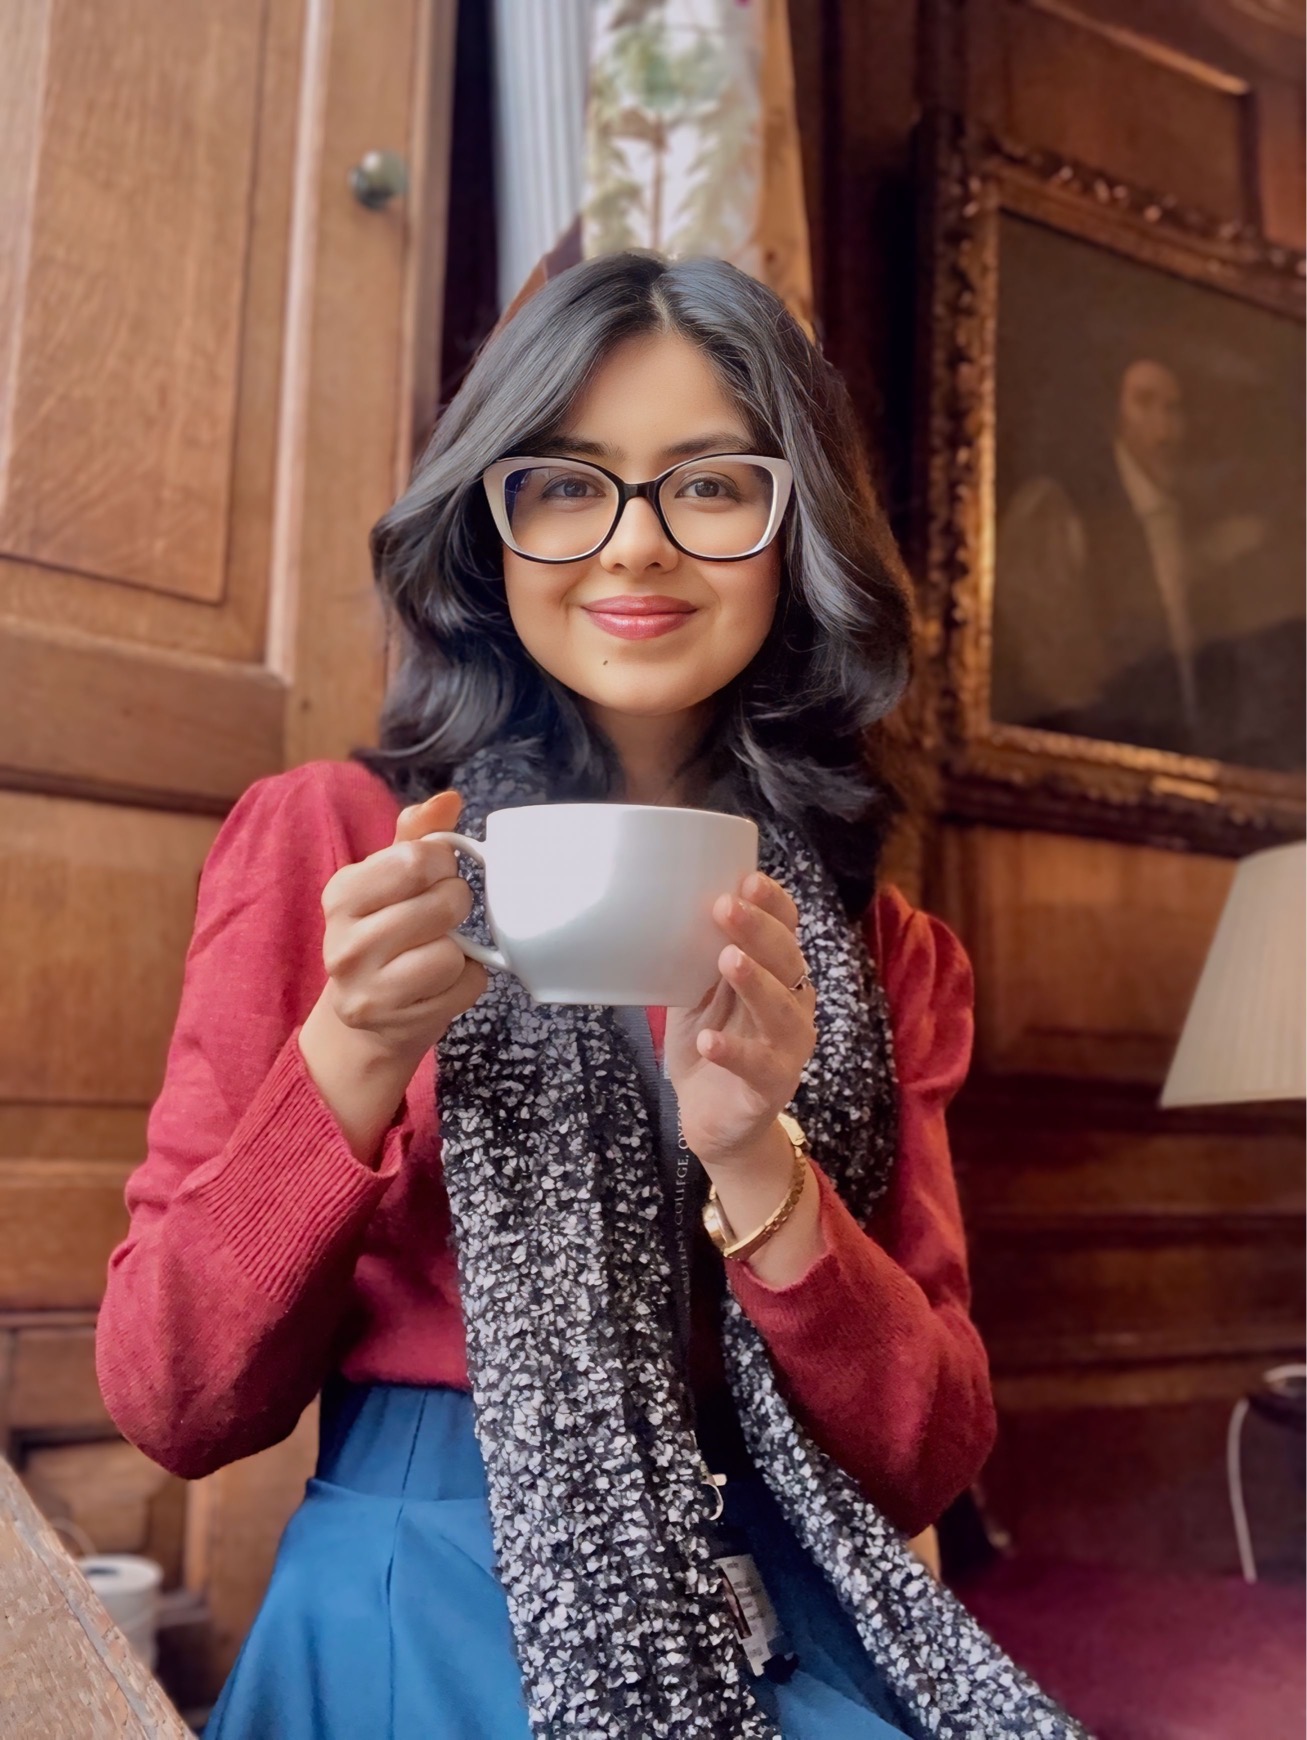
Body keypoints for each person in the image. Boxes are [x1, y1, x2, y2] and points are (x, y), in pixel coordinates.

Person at [96, 253, 1084, 1739]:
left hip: (786, 1596)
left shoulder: (884, 952)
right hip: (418, 1589)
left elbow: (923, 1458)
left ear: (792, 529)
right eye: (563, 485)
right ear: (487, 527)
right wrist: (350, 1053)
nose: (632, 547)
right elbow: (176, 1402)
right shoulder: (335, 848)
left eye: (707, 486)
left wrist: (759, 1155)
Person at [993, 355, 1299, 767]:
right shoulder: (1062, 508)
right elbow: (1054, 669)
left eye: (1173, 409)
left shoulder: (1197, 523)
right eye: (1144, 402)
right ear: (1113, 415)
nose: (1163, 428)